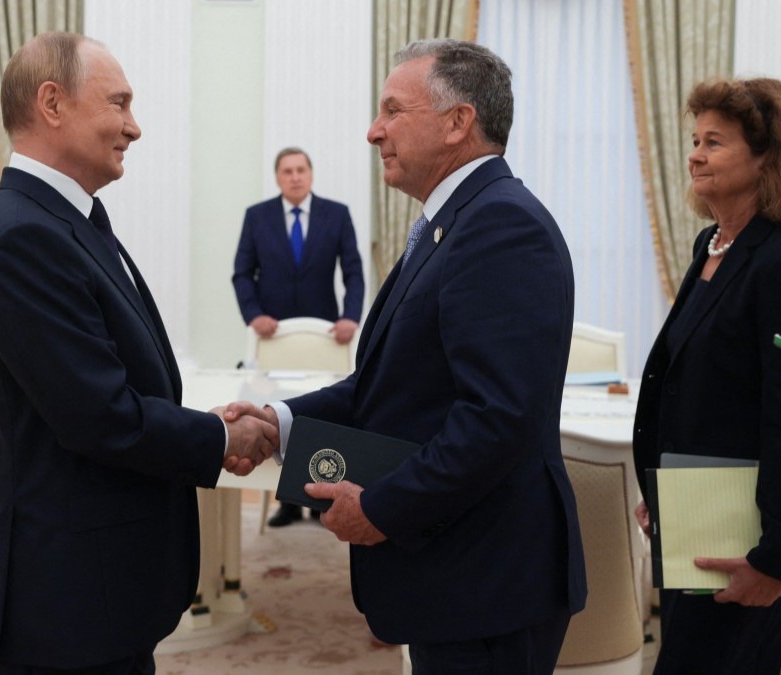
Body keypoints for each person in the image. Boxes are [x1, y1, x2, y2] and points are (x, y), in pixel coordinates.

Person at [227, 39, 586, 674]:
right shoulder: (455, 223)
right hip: (459, 572)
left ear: (458, 122)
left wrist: (380, 509)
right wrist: (278, 422)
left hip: (487, 581)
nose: (374, 131)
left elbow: (497, 418)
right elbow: (389, 383)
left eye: (393, 110)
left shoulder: (502, 227)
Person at [0, 32, 275, 674]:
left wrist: (202, 426)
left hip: (98, 590)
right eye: (119, 103)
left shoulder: (64, 222)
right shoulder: (26, 238)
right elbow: (99, 416)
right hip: (69, 602)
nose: (135, 127)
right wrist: (219, 438)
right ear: (52, 103)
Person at [632, 77, 781, 674]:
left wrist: (776, 557)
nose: (695, 155)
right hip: (695, 513)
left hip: (743, 533)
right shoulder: (712, 244)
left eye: (715, 143)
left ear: (767, 159)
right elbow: (694, 387)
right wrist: (662, 487)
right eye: (695, 141)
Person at [232, 147, 365, 527]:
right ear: (278, 177)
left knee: (321, 413)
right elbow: (242, 273)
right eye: (287, 171)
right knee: (277, 412)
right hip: (274, 338)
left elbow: (353, 271)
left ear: (310, 174)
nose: (294, 177)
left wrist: (350, 316)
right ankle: (288, 502)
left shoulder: (336, 214)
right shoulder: (257, 217)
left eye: (300, 170)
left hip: (325, 338)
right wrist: (254, 315)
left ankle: (320, 498)